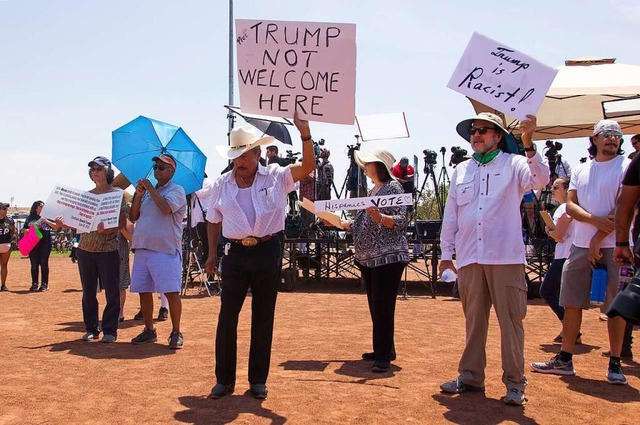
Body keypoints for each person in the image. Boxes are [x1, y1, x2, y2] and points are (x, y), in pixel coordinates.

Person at [439, 112, 549, 406]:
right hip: (470, 257)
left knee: (511, 322)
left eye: (484, 130)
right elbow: (451, 216)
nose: (476, 135)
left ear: (498, 136)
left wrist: (529, 144)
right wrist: (445, 254)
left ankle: (515, 383)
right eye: (474, 131)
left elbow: (540, 179)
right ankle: (471, 377)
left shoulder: (515, 164)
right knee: (474, 321)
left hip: (505, 258)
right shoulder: (461, 170)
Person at [205, 112, 315, 400]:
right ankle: (224, 380)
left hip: (268, 250)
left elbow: (308, 167)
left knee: (263, 317)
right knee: (227, 317)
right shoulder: (222, 183)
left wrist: (305, 134)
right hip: (234, 254)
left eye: (244, 155)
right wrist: (211, 254)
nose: (239, 162)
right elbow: (213, 219)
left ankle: (257, 380)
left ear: (257, 154)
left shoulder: (277, 176)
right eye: (235, 156)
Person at [531, 119, 630, 385]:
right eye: (606, 134)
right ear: (595, 139)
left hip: (617, 246)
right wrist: (595, 224)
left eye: (616, 135)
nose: (612, 139)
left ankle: (615, 363)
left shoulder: (628, 167)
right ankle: (565, 359)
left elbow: (625, 207)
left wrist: (599, 237)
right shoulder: (581, 169)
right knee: (571, 300)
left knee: (616, 306)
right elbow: (571, 206)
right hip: (580, 246)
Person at [326, 148, 409, 373]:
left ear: (379, 166)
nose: (364, 167)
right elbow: (362, 222)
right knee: (377, 305)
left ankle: (383, 355)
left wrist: (381, 217)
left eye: (368, 163)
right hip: (370, 258)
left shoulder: (393, 188)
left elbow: (401, 220)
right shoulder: (375, 189)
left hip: (387, 257)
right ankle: (384, 349)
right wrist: (340, 222)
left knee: (382, 305)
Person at [56, 156, 126, 343]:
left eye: (100, 169)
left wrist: (108, 230)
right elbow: (76, 222)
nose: (96, 172)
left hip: (108, 249)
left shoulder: (116, 194)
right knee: (88, 292)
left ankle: (110, 330)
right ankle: (91, 328)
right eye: (93, 169)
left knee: (112, 291)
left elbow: (121, 222)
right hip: (85, 249)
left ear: (108, 172)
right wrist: (62, 223)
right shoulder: (85, 196)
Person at [129, 154, 187, 349]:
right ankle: (149, 329)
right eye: (155, 167)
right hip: (143, 247)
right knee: (143, 291)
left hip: (165, 249)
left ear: (172, 171)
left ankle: (176, 331)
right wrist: (138, 195)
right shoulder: (146, 193)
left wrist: (150, 188)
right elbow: (134, 216)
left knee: (171, 292)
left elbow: (165, 208)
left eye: (162, 167)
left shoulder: (177, 190)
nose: (157, 170)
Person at [540, 177, 575, 342]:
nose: (552, 190)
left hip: (564, 256)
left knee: (546, 290)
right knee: (564, 295)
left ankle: (570, 329)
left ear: (567, 189)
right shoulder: (571, 207)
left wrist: (548, 230)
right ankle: (569, 330)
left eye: (556, 187)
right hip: (569, 254)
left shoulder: (564, 208)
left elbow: (558, 237)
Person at [24, 200, 59, 292]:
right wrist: (27, 231)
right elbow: (25, 230)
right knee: (34, 265)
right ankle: (34, 284)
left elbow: (56, 227)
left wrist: (46, 221)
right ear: (36, 208)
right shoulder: (30, 218)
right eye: (41, 207)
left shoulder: (47, 217)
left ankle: (44, 284)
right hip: (33, 244)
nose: (43, 208)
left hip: (45, 244)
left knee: (44, 263)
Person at [0, 202, 15, 292]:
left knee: (4, 265)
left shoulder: (9, 219)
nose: (6, 210)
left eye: (6, 209)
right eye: (4, 209)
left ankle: (3, 285)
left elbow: (13, 230)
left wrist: (12, 239)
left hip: (6, 244)